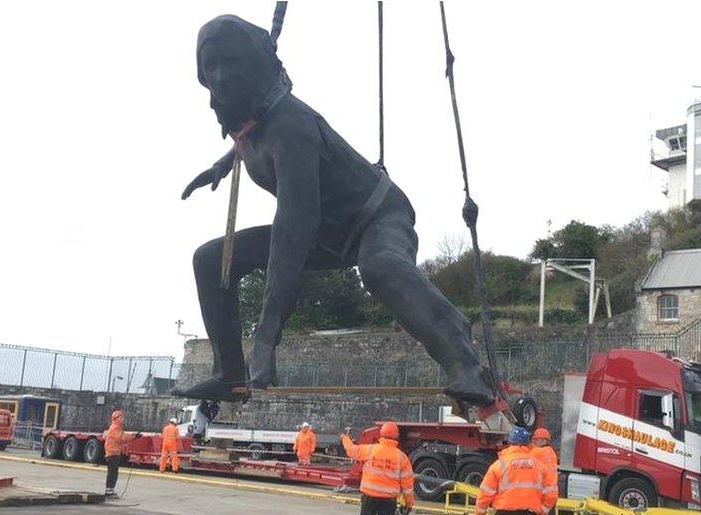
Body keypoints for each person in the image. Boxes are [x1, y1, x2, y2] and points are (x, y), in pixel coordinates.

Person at [170, 14, 497, 409]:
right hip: (327, 232)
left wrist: (267, 335)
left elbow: (293, 229)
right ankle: (228, 371)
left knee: (380, 266)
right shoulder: (253, 128)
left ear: (255, 66)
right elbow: (255, 144)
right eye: (212, 66)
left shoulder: (291, 126)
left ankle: (463, 359)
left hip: (376, 215)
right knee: (209, 260)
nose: (221, 76)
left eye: (232, 62)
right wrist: (223, 165)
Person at [475, 427, 557, 515]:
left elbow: (485, 493)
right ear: (528, 443)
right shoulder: (539, 466)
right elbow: (551, 495)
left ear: (509, 443)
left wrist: (479, 514)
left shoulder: (499, 465)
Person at [341, 421, 415, 515]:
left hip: (369, 498)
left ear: (382, 433)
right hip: (388, 501)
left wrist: (345, 438)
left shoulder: (370, 450)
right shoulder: (402, 458)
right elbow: (407, 484)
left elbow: (352, 450)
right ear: (396, 436)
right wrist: (409, 503)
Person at [530, 427, 560, 515]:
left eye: (535, 440)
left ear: (543, 440)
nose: (533, 442)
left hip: (541, 496)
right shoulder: (551, 452)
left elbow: (524, 458)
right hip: (552, 496)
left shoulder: (537, 452)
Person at [103, 410, 141, 498]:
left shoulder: (117, 428)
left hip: (114, 453)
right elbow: (121, 438)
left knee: (114, 472)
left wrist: (133, 436)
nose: (122, 419)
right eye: (121, 417)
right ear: (116, 418)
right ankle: (109, 491)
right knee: (112, 472)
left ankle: (110, 490)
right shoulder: (114, 428)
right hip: (112, 453)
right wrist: (134, 436)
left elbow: (122, 437)